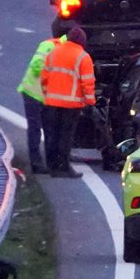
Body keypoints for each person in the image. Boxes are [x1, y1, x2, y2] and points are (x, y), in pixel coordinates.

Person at [16, 18, 72, 174]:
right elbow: (36, 65)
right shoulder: (49, 46)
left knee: (49, 129)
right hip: (33, 92)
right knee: (35, 128)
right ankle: (36, 163)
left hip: (46, 95)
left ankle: (50, 162)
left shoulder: (63, 48)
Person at [42, 26, 95, 179]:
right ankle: (64, 166)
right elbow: (88, 83)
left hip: (51, 102)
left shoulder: (53, 52)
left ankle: (52, 166)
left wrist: (47, 94)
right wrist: (90, 103)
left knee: (53, 135)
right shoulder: (83, 57)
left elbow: (44, 76)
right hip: (71, 105)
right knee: (66, 136)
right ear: (82, 41)